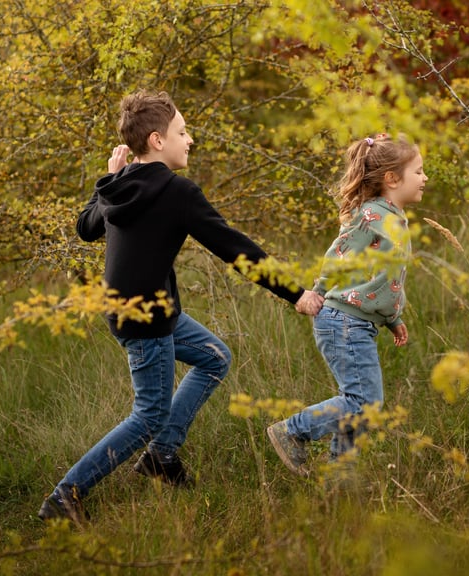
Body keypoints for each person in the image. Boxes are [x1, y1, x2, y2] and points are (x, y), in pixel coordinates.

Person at [38, 90, 324, 524]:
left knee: (214, 358)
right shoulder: (177, 192)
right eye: (182, 132)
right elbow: (236, 249)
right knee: (149, 414)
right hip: (147, 320)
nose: (190, 140)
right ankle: (66, 496)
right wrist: (296, 293)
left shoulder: (122, 185)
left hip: (140, 310)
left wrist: (110, 179)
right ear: (156, 140)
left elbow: (86, 225)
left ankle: (161, 458)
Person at [266, 133, 427, 476]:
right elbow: (339, 255)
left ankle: (339, 479)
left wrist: (393, 318)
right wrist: (316, 292)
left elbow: (383, 279)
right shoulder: (371, 215)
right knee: (364, 403)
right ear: (392, 179)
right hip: (342, 321)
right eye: (419, 171)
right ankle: (292, 431)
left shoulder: (394, 216)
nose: (425, 178)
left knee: (356, 401)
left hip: (358, 321)